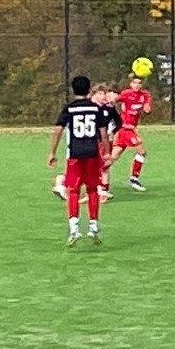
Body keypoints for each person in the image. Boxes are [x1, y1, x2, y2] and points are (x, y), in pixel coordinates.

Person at [48, 75, 115, 247]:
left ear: (73, 90)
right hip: (92, 153)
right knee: (92, 189)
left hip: (75, 154)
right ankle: (93, 226)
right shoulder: (95, 108)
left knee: (73, 190)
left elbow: (58, 130)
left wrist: (52, 152)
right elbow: (103, 132)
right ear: (88, 90)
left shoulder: (69, 108)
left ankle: (74, 228)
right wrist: (107, 153)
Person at [108, 76, 154, 193]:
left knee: (114, 156)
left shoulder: (145, 95)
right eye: (135, 82)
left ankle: (97, 173)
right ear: (130, 84)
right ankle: (134, 179)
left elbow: (147, 109)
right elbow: (114, 100)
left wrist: (147, 107)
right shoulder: (126, 94)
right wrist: (112, 98)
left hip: (129, 129)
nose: (137, 85)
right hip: (125, 129)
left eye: (139, 83)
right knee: (142, 152)